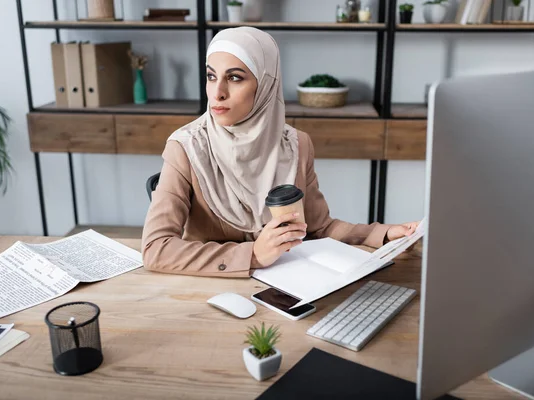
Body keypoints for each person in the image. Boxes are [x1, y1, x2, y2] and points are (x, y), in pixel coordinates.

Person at [141, 27, 419, 278]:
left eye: (235, 78)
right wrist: (252, 256)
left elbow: (319, 228)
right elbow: (156, 249)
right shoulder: (185, 147)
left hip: (283, 289)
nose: (217, 93)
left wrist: (382, 234)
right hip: (206, 292)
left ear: (265, 84)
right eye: (211, 76)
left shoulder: (297, 144)